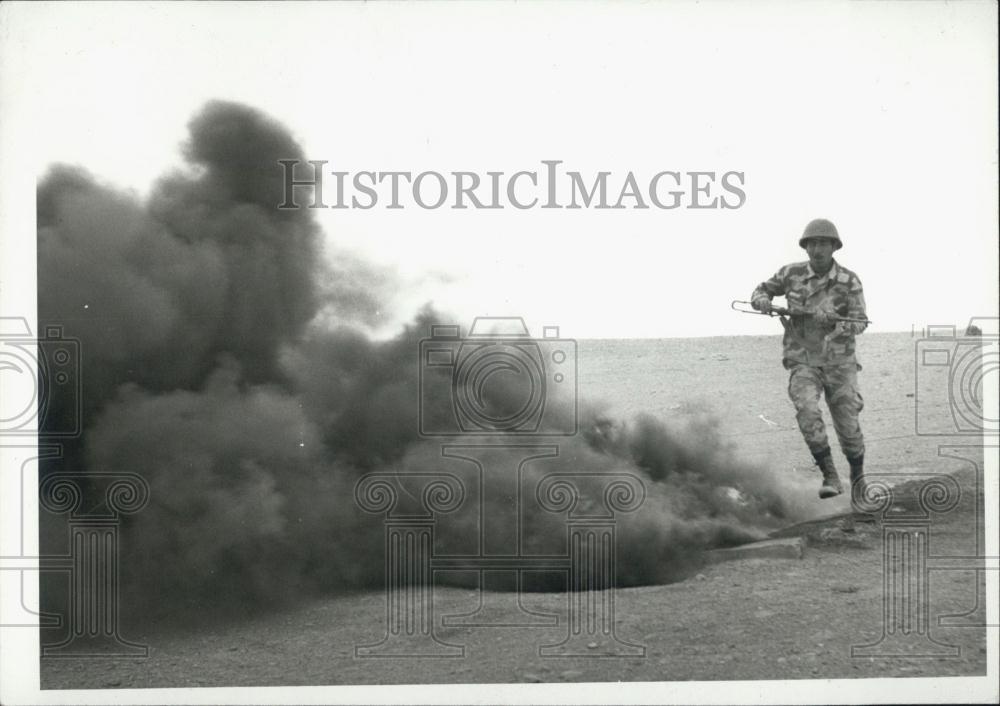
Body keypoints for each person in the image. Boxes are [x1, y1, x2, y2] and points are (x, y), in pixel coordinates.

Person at [751, 218, 868, 506]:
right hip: (803, 359)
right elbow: (760, 291)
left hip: (839, 363)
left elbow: (861, 321)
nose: (818, 249)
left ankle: (858, 478)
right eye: (812, 243)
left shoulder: (849, 280)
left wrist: (836, 323)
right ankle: (830, 475)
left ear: (834, 247)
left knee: (849, 429)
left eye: (824, 243)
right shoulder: (790, 273)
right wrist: (763, 301)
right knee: (806, 410)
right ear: (805, 247)